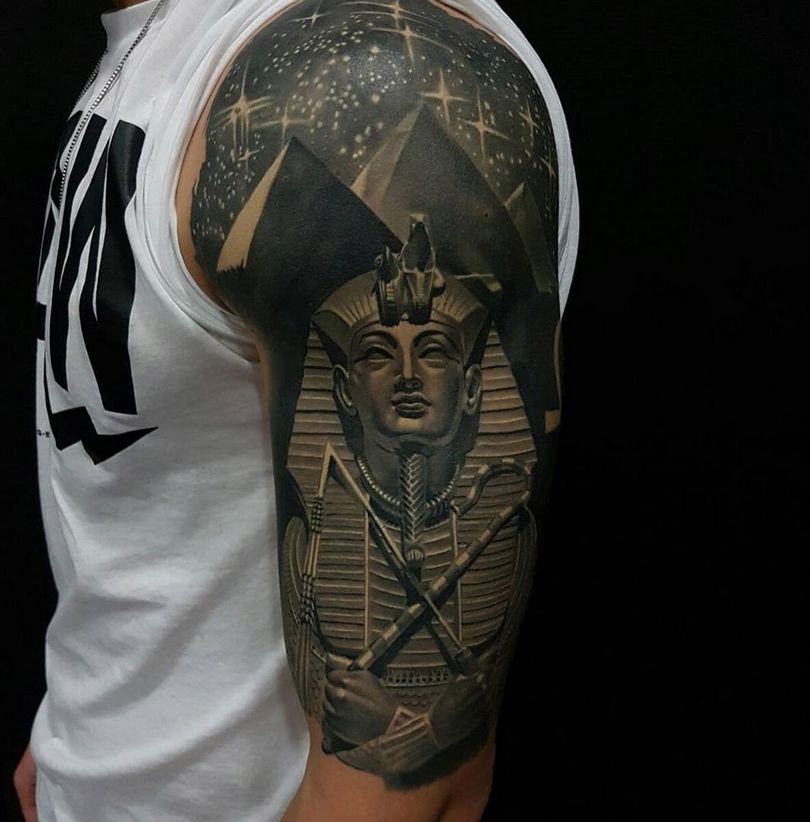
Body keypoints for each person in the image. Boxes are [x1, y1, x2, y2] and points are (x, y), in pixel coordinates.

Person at [16, 0, 579, 819]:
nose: (408, 376)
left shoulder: (360, 72)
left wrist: (403, 731)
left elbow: (410, 790)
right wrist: (85, 740)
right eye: (380, 354)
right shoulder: (159, 47)